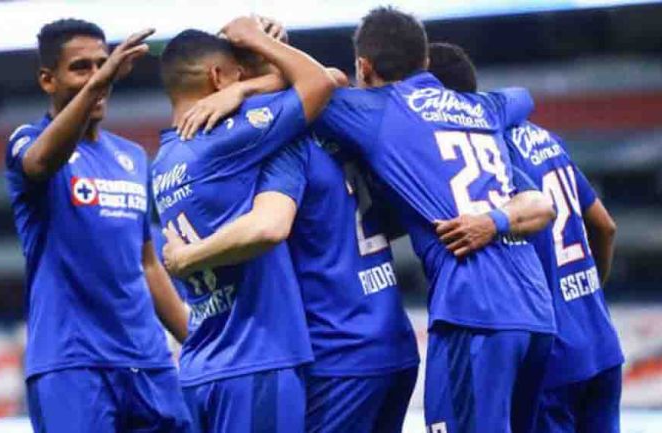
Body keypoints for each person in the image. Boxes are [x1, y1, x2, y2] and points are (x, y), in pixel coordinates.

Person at [310, 7, 557, 433]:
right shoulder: (484, 110)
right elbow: (524, 97)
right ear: (424, 61)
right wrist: (497, 218)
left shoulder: (382, 113)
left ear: (364, 67)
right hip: (534, 311)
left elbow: (308, 91)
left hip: (473, 312)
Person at [163, 26, 421, 433]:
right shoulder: (341, 121)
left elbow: (269, 225)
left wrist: (243, 89)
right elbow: (331, 78)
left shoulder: (280, 141)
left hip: (338, 351)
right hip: (389, 337)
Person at [4, 19, 191, 433]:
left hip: (148, 363)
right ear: (47, 80)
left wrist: (196, 342)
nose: (97, 76)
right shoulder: (27, 142)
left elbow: (147, 264)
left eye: (102, 65)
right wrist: (99, 84)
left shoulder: (132, 157)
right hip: (73, 364)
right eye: (81, 68)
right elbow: (40, 163)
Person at [429, 41, 624, 433]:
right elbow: (605, 225)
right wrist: (589, 294)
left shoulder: (484, 150)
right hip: (602, 344)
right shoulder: (545, 138)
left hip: (554, 356)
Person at [153, 17, 336, 432]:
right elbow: (322, 82)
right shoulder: (229, 134)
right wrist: (254, 42)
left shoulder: (163, 161)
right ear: (217, 78)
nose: (250, 80)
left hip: (203, 363)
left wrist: (244, 84)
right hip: (255, 360)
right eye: (240, 74)